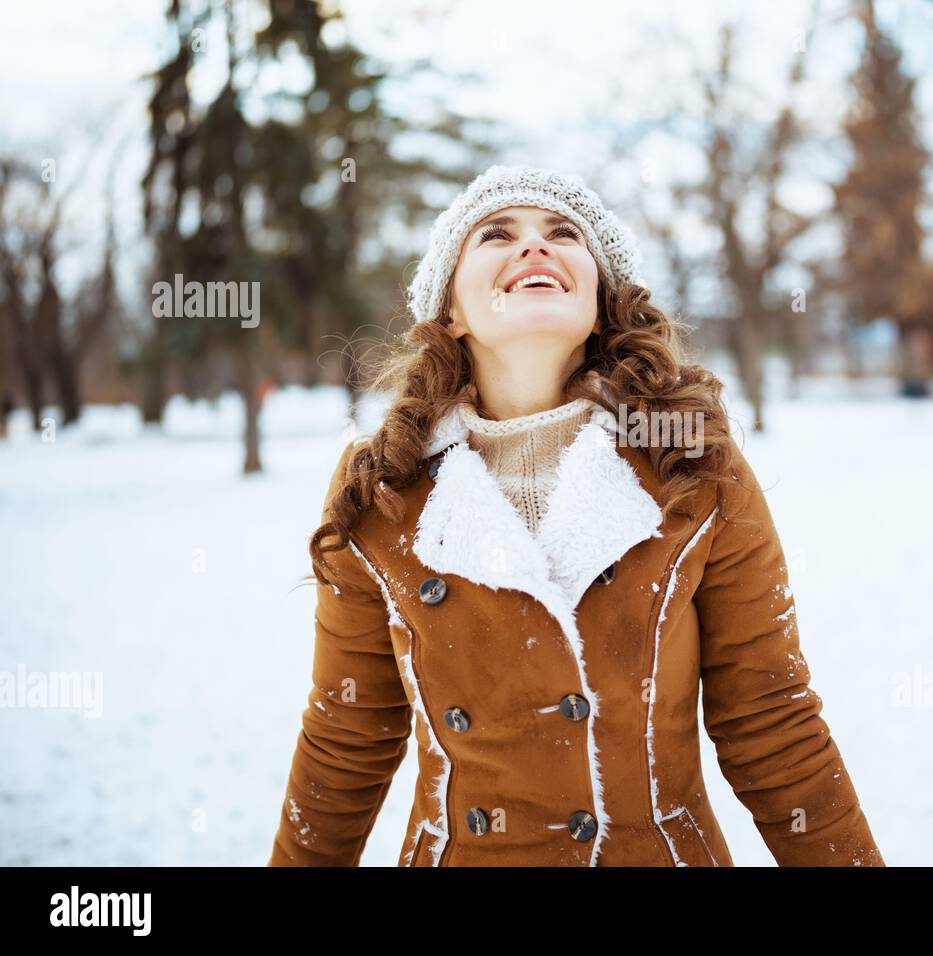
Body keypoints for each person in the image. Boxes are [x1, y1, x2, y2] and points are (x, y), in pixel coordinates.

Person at [268, 165, 885, 867]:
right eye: (497, 234)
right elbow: (345, 739)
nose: (535, 247)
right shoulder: (381, 488)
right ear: (451, 313)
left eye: (564, 235)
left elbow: (771, 722)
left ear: (599, 304)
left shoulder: (692, 466)